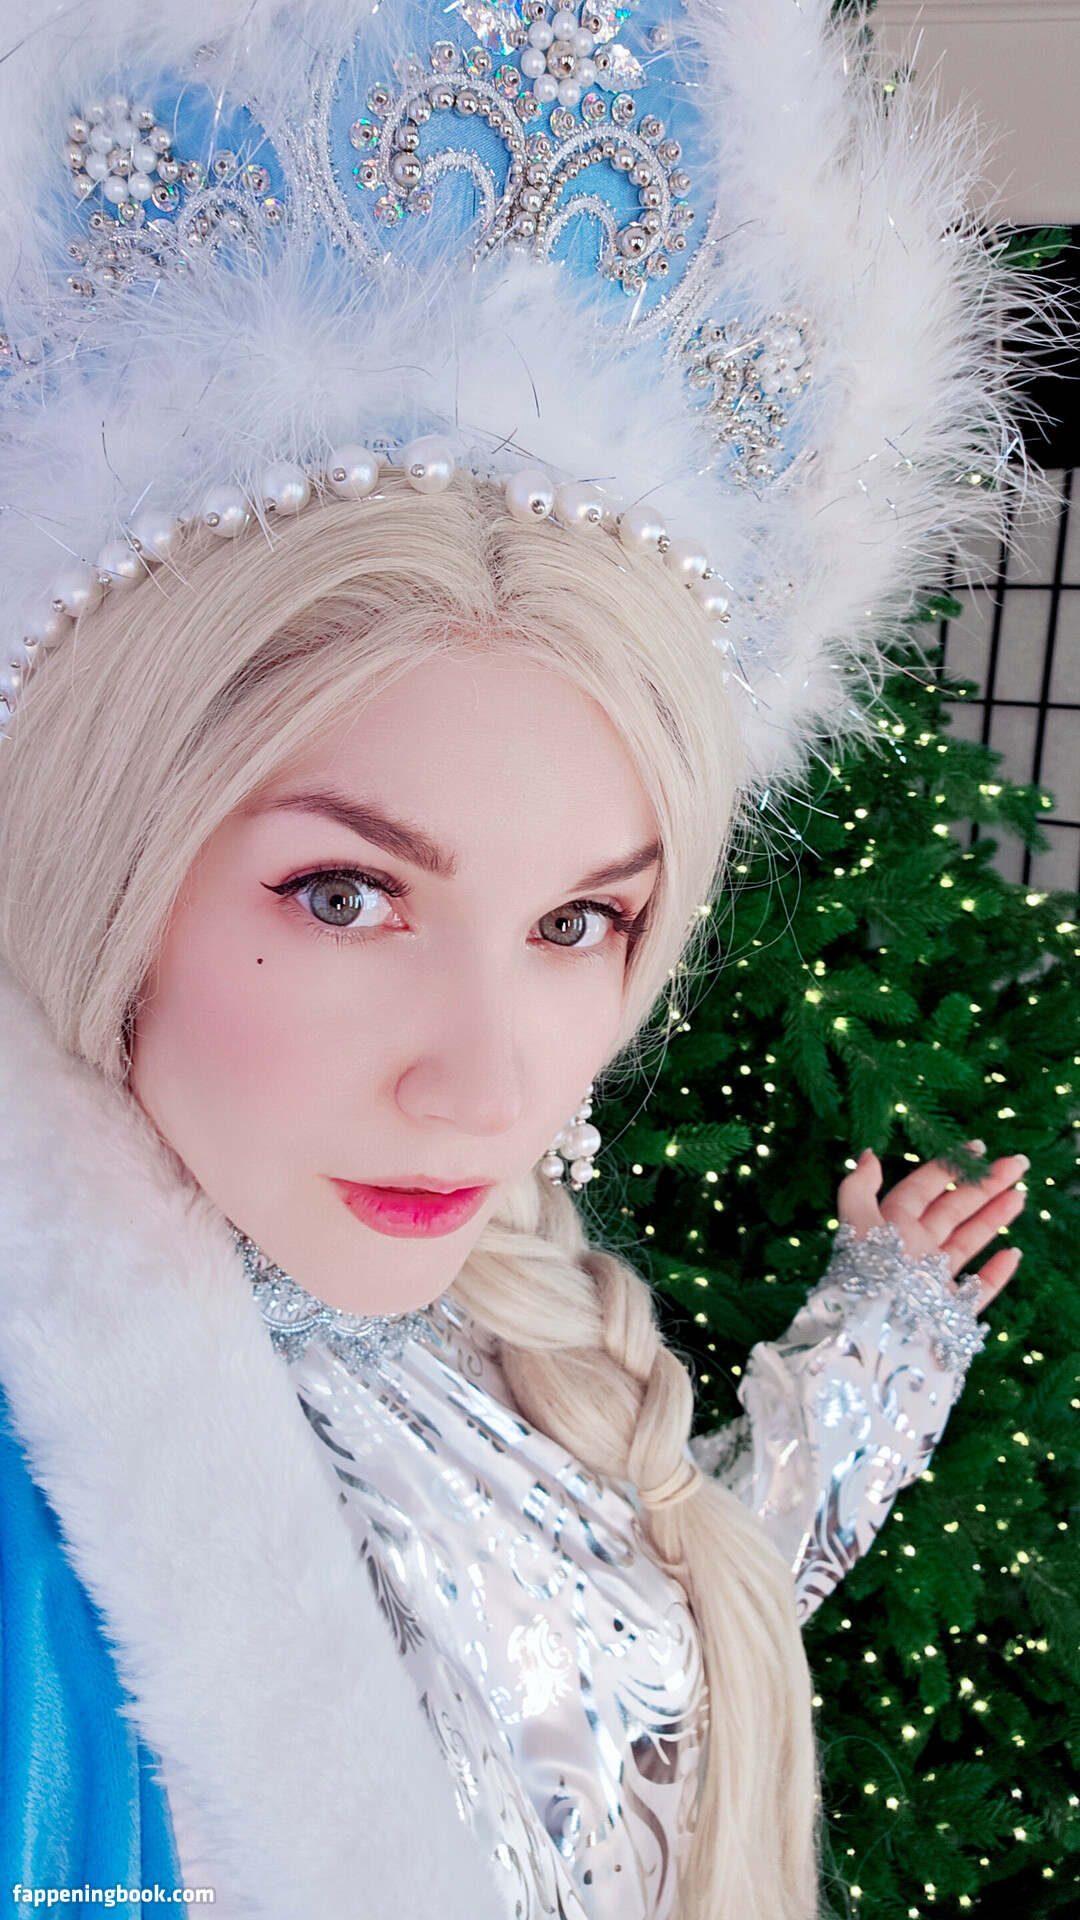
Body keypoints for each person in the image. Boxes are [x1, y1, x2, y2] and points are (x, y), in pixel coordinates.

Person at [0, 3, 1035, 1918]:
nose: (491, 1085)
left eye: (580, 923)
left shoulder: (480, 1310)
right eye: (343, 894)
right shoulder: (54, 1488)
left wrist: (867, 1373)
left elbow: (631, 1661)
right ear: (99, 869)